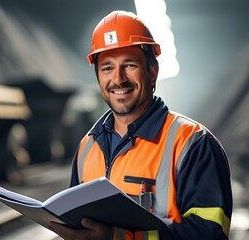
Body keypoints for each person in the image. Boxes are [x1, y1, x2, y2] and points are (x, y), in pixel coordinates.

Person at [50, 10, 232, 240]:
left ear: (152, 72)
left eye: (129, 65)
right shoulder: (88, 146)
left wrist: (118, 238)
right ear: (98, 77)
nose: (118, 79)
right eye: (107, 68)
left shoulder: (193, 144)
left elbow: (209, 234)